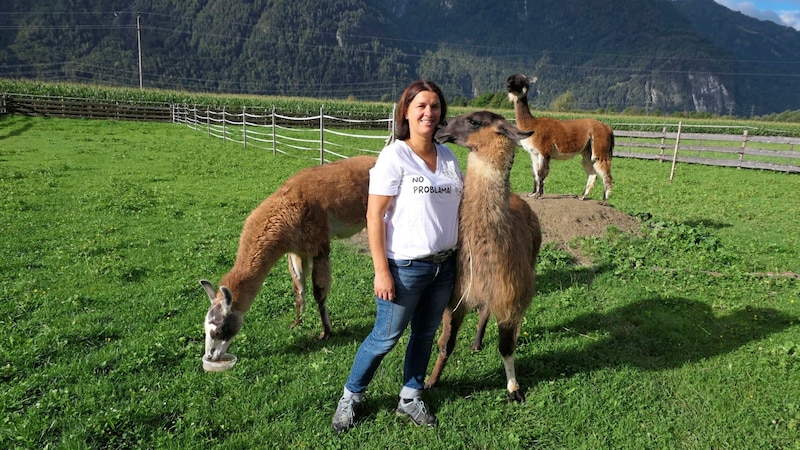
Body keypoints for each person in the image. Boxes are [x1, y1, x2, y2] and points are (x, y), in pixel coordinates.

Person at [332, 80, 463, 433]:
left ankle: (410, 396)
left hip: (443, 265)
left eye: (434, 106)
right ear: (405, 111)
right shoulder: (395, 156)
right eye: (421, 106)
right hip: (405, 266)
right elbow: (374, 216)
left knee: (424, 334)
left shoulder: (449, 158)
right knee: (385, 337)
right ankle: (351, 397)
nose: (428, 113)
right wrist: (381, 271)